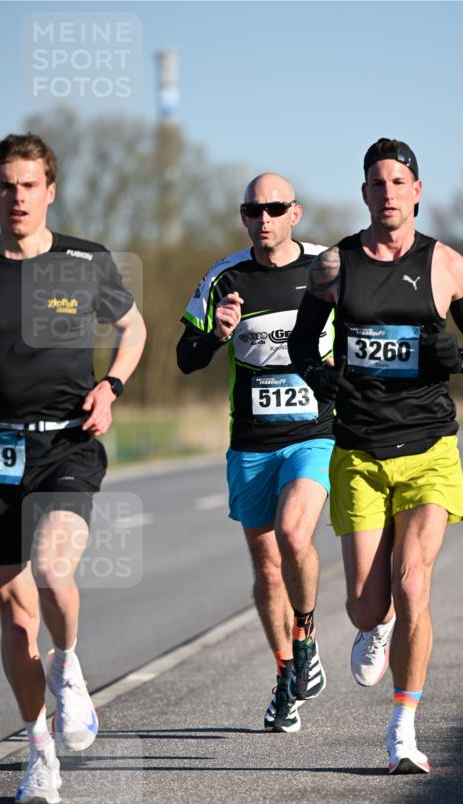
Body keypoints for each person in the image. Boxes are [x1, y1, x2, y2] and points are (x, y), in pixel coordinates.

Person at [288, 138, 463, 774]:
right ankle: (373, 626)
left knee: (414, 585)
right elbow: (301, 343)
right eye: (377, 183)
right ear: (365, 193)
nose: (388, 193)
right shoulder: (335, 266)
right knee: (367, 605)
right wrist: (322, 379)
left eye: (398, 182)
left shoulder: (447, 265)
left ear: (417, 191)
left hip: (430, 448)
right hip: (359, 450)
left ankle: (403, 729)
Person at [0, 133, 147, 803]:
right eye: (6, 184)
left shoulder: (84, 261)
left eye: (29, 184)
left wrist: (111, 385)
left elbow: (134, 329)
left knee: (53, 570)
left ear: (49, 191)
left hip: (68, 442)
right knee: (13, 616)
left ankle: (69, 665)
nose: (17, 196)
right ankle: (39, 751)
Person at [177, 174, 333, 733]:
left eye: (274, 208)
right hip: (251, 441)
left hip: (315, 432)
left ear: (295, 212)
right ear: (243, 216)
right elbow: (186, 358)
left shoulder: (329, 267)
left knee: (294, 535)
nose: (263, 218)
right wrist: (218, 335)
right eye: (252, 210)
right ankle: (287, 675)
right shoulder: (225, 277)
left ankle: (307, 636)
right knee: (268, 570)